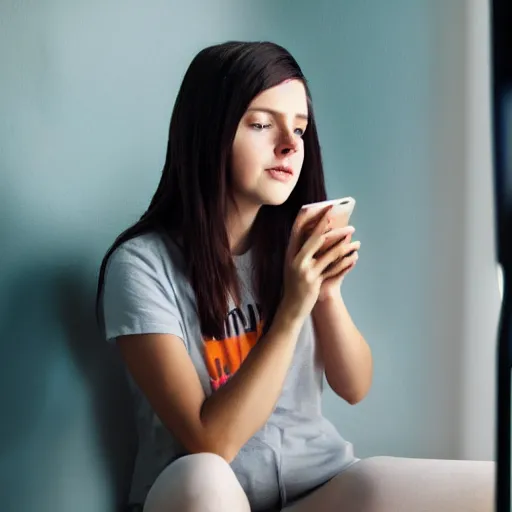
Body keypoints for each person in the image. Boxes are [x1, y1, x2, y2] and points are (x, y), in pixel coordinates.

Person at [97, 41, 494, 512]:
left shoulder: (290, 245)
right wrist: (290, 308)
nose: (289, 144)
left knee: (496, 485)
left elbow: (354, 386)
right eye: (263, 124)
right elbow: (211, 441)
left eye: (300, 128)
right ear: (209, 132)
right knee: (202, 475)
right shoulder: (141, 266)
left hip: (318, 488)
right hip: (200, 497)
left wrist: (325, 295)